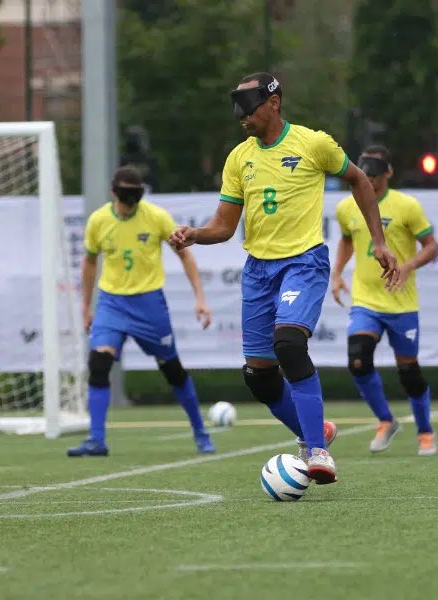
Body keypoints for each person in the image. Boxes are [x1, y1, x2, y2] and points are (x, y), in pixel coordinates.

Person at [169, 72, 402, 484]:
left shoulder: (313, 143)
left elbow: (359, 180)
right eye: (236, 109)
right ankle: (316, 431)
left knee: (290, 345)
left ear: (273, 102)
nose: (241, 117)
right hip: (258, 271)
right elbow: (224, 226)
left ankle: (317, 451)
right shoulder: (239, 158)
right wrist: (193, 235)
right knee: (258, 375)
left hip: (304, 262)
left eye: (248, 106)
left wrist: (379, 242)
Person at [68, 166, 215, 457]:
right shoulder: (98, 221)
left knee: (172, 370)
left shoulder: (157, 217)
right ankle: (96, 439)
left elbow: (184, 253)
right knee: (99, 364)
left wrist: (200, 297)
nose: (128, 203)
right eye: (125, 196)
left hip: (149, 305)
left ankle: (200, 431)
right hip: (111, 303)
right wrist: (85, 307)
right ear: (113, 193)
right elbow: (89, 263)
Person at [332, 145, 438, 455]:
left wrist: (407, 266)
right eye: (367, 176)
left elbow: (431, 246)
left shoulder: (407, 206)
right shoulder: (346, 207)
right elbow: (347, 240)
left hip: (401, 302)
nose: (372, 182)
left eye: (377, 176)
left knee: (409, 371)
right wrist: (337, 273)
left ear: (389, 173)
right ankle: (385, 420)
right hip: (366, 300)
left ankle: (425, 432)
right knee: (358, 359)